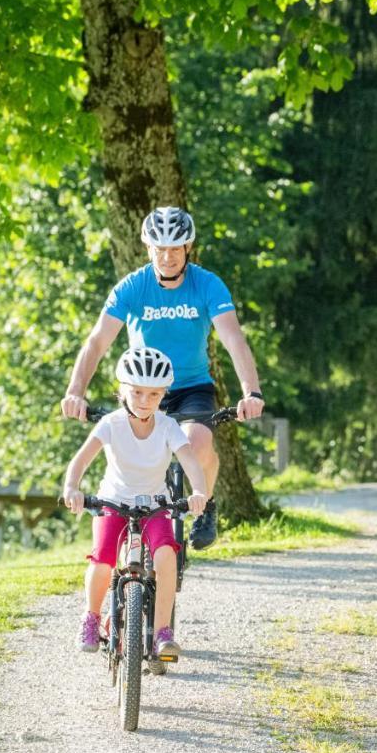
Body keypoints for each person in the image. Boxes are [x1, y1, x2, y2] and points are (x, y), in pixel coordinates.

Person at [61, 206, 264, 549]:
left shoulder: (208, 285)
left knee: (197, 442)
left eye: (175, 248)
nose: (167, 257)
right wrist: (75, 391)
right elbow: (97, 341)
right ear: (148, 248)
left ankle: (206, 505)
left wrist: (251, 392)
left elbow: (233, 338)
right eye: (160, 249)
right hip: (141, 389)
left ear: (188, 248)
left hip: (191, 388)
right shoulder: (132, 287)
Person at [62, 347, 209, 658]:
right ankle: (90, 618)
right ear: (123, 390)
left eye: (154, 395)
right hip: (113, 502)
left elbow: (190, 461)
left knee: (167, 556)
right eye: (138, 392)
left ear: (163, 394)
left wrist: (199, 492)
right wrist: (72, 488)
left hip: (156, 505)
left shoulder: (168, 426)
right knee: (102, 558)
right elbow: (79, 461)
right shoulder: (111, 424)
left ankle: (162, 632)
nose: (145, 401)